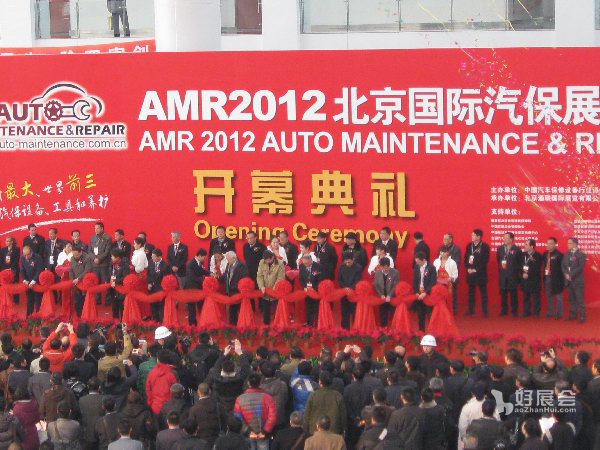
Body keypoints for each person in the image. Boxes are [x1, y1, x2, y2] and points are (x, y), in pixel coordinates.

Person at [233, 373, 276, 449]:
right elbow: (272, 417)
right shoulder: (268, 398)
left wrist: (247, 431)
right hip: (262, 434)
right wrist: (265, 431)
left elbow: (238, 417)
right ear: (260, 383)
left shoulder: (240, 399)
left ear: (248, 383)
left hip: (248, 434)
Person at [464, 229, 490, 317]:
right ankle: (471, 310)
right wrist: (468, 268)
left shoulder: (485, 247)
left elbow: (485, 261)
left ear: (478, 237)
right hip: (470, 273)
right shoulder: (469, 246)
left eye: (473, 235)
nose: (472, 237)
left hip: (480, 274)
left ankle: (485, 311)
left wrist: (476, 269)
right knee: (471, 293)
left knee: (483, 293)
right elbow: (466, 258)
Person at [497, 232, 523, 317]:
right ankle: (504, 310)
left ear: (511, 239)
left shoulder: (517, 250)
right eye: (503, 237)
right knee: (503, 294)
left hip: (513, 275)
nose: (504, 239)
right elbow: (499, 260)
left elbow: (520, 263)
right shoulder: (500, 249)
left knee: (513, 294)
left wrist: (517, 274)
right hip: (503, 275)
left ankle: (514, 311)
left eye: (506, 238)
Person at [256, 250, 285, 325]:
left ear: (272, 257)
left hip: (275, 292)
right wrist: (261, 286)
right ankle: (266, 327)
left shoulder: (280, 264)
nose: (266, 262)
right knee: (265, 312)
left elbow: (280, 278)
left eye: (268, 260)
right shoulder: (262, 262)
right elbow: (259, 276)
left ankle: (278, 327)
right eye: (265, 260)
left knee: (276, 311)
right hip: (264, 292)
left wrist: (273, 290)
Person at [188, 383, 221, 448]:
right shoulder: (217, 406)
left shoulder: (194, 409)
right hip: (215, 439)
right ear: (209, 391)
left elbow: (191, 426)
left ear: (198, 392)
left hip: (200, 441)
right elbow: (223, 422)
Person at [561, 237, 586, 323]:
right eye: (568, 243)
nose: (568, 245)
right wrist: (566, 274)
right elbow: (563, 265)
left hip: (577, 281)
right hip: (568, 281)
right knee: (571, 299)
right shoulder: (566, 254)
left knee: (580, 299)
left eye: (569, 243)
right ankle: (573, 315)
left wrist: (570, 275)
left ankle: (582, 316)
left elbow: (580, 267)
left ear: (575, 244)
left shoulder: (581, 254)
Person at [220, 251, 249, 324]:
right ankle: (233, 326)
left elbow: (244, 279)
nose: (227, 261)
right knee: (232, 312)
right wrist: (217, 278)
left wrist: (235, 286)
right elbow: (225, 276)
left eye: (228, 259)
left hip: (238, 293)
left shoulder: (242, 266)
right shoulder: (228, 265)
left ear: (234, 258)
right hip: (230, 293)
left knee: (240, 311)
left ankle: (243, 326)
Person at [184, 249, 210, 325]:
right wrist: (204, 279)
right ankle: (192, 325)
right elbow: (192, 277)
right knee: (191, 308)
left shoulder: (199, 262)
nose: (205, 259)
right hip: (191, 289)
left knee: (201, 306)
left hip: (199, 288)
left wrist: (210, 273)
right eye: (204, 258)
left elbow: (202, 270)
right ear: (199, 256)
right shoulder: (190, 264)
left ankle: (203, 323)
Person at [412, 252, 437, 331]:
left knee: (430, 314)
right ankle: (421, 331)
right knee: (420, 314)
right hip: (419, 294)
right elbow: (415, 280)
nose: (417, 263)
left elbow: (432, 282)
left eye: (418, 262)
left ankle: (432, 332)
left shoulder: (431, 268)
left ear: (423, 260)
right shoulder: (416, 267)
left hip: (428, 294)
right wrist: (416, 292)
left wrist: (425, 293)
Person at [90, 222, 112, 305]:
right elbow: (89, 251)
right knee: (96, 282)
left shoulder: (107, 238)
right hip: (95, 265)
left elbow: (107, 251)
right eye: (95, 228)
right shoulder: (92, 238)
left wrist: (99, 258)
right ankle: (97, 299)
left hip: (104, 264)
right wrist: (94, 258)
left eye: (97, 228)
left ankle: (108, 300)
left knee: (106, 282)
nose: (96, 230)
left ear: (102, 229)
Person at [338, 252, 362, 329]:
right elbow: (339, 280)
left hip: (354, 293)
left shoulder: (358, 268)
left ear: (353, 260)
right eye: (346, 262)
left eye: (349, 262)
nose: (347, 263)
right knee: (344, 312)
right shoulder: (341, 267)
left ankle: (355, 330)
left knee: (355, 312)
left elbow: (357, 281)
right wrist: (345, 288)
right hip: (344, 293)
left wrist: (351, 289)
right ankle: (345, 330)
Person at [373, 257, 400, 327]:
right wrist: (381, 295)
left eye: (387, 267)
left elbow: (396, 286)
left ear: (389, 265)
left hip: (392, 297)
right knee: (383, 314)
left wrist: (389, 295)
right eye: (383, 267)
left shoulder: (395, 273)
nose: (385, 269)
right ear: (380, 266)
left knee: (392, 314)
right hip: (382, 297)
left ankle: (393, 329)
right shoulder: (377, 273)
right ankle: (383, 329)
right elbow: (376, 285)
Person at [79, 378, 104, 450]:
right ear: (99, 387)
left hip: (87, 433)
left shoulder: (82, 400)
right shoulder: (103, 399)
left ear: (87, 386)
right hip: (101, 433)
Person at [543, 237, 564, 319]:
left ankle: (559, 314)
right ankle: (550, 312)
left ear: (555, 244)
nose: (548, 245)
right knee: (549, 296)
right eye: (547, 243)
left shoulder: (559, 255)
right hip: (547, 277)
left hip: (557, 279)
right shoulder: (545, 254)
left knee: (559, 297)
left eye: (551, 244)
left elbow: (563, 268)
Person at [299, 254, 323, 327]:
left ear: (310, 260)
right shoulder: (301, 266)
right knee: (308, 308)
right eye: (304, 263)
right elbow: (301, 279)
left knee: (316, 308)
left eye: (306, 263)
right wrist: (304, 287)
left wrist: (314, 288)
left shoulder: (318, 267)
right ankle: (309, 323)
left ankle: (316, 324)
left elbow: (320, 280)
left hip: (316, 291)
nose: (305, 265)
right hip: (307, 291)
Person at [147, 249, 171, 322]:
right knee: (153, 306)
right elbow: (148, 274)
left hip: (160, 290)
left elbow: (166, 279)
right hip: (152, 289)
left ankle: (161, 322)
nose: (152, 258)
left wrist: (162, 290)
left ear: (159, 257)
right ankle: (155, 321)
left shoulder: (165, 265)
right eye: (152, 256)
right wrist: (149, 283)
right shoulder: (150, 262)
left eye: (154, 256)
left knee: (161, 307)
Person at [521, 239, 542, 318]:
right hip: (524, 278)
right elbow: (520, 265)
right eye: (525, 244)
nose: (525, 246)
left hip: (534, 279)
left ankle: (536, 312)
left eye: (526, 244)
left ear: (532, 246)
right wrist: (523, 273)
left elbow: (537, 268)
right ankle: (526, 312)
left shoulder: (538, 255)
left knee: (536, 297)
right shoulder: (523, 254)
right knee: (526, 296)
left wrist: (528, 274)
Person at [69, 245, 93, 317]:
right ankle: (78, 315)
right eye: (74, 255)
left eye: (76, 255)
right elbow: (71, 270)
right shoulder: (72, 258)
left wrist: (78, 279)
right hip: (75, 283)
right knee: (77, 300)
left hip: (84, 282)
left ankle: (85, 315)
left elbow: (87, 270)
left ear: (81, 252)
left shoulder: (87, 258)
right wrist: (72, 280)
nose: (75, 257)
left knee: (83, 299)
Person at [108, 249, 130, 320]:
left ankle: (123, 323)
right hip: (113, 289)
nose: (111, 258)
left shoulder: (125, 265)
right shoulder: (111, 263)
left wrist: (116, 281)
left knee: (122, 308)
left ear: (117, 257)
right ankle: (115, 323)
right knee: (114, 308)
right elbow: (110, 273)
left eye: (112, 256)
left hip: (121, 290)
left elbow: (125, 277)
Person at [20, 245, 43, 316]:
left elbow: (39, 270)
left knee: (37, 300)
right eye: (25, 255)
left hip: (36, 282)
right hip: (27, 283)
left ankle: (38, 317)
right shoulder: (22, 258)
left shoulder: (37, 257)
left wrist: (33, 281)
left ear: (31, 252)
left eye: (28, 255)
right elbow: (22, 270)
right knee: (29, 300)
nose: (26, 257)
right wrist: (24, 280)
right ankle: (29, 317)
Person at [0, 236, 20, 303]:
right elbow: (1, 260)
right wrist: (4, 269)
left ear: (12, 242)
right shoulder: (3, 250)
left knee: (15, 285)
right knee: (5, 285)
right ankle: (6, 300)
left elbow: (16, 260)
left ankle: (16, 301)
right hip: (5, 270)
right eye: (6, 241)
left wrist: (11, 268)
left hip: (13, 269)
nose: (7, 242)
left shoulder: (16, 249)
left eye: (8, 241)